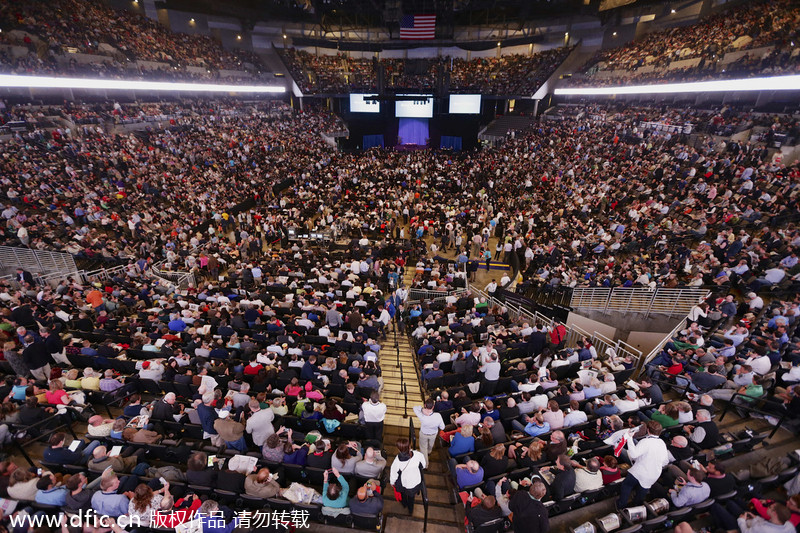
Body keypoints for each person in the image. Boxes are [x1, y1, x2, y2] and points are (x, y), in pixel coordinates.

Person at [616, 420, 669, 509]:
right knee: (642, 491)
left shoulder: (645, 441)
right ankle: (636, 507)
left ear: (648, 430)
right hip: (653, 474)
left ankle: (621, 505)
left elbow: (633, 454)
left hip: (639, 471)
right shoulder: (662, 443)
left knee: (627, 485)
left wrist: (629, 439)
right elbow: (665, 462)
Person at [389, 437, 426, 514]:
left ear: (399, 449)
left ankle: (404, 504)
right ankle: (410, 510)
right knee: (411, 498)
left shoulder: (397, 461)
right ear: (409, 446)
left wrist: (392, 483)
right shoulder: (418, 455)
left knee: (403, 494)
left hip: (405, 482)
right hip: (416, 481)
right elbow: (424, 465)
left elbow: (393, 475)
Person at [413, 399, 445, 464]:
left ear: (425, 405)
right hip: (433, 434)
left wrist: (422, 410)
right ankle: (429, 452)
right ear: (433, 406)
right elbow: (442, 427)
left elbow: (415, 408)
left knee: (423, 448)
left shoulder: (422, 415)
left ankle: (425, 464)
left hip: (423, 434)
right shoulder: (438, 415)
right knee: (431, 444)